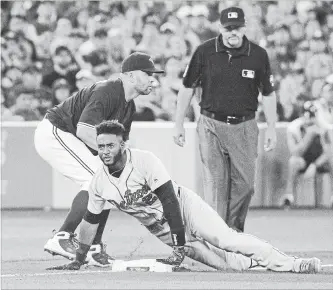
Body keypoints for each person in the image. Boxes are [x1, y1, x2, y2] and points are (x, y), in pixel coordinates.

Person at [47, 120, 321, 274]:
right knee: (224, 268)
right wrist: (79, 259)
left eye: (111, 145)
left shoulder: (144, 160)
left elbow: (169, 200)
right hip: (160, 228)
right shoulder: (99, 183)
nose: (105, 150)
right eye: (101, 145)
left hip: (184, 207)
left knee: (227, 239)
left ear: (123, 145)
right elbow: (90, 221)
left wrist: (179, 244)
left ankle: (294, 264)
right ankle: (256, 263)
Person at [34, 52, 164, 266]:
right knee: (96, 179)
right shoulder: (109, 90)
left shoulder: (128, 106)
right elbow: (84, 131)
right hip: (56, 132)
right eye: (148, 73)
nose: (153, 79)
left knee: (107, 183)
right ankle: (62, 237)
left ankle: (93, 248)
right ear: (130, 75)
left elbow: (120, 145)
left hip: (70, 136)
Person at [173, 7, 277, 233]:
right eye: (228, 28)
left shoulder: (259, 54)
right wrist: (179, 122)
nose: (232, 32)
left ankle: (233, 232)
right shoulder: (204, 51)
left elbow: (268, 93)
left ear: (244, 27)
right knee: (216, 187)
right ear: (220, 28)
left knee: (246, 186)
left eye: (237, 27)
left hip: (245, 125)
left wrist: (271, 127)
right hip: (211, 124)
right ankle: (218, 237)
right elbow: (187, 87)